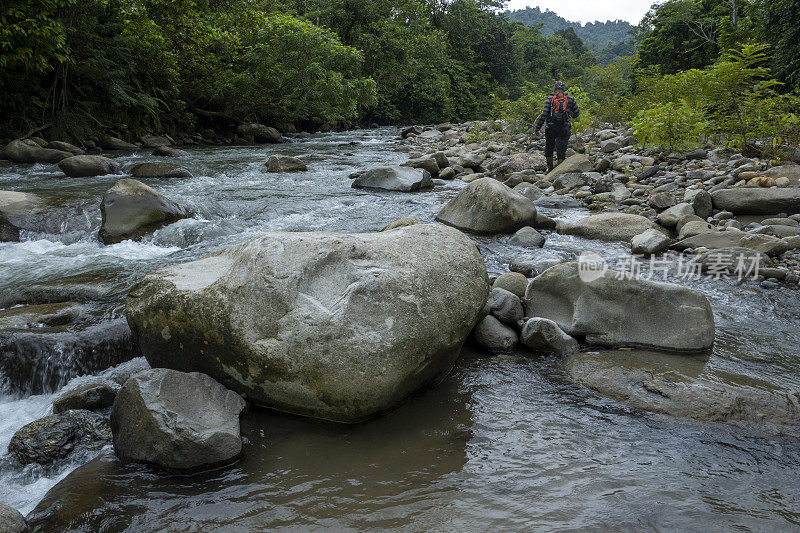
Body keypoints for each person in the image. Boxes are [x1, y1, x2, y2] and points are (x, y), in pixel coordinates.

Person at [534, 81, 580, 172]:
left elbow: (544, 114)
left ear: (554, 88)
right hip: (564, 127)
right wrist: (570, 113)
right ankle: (559, 170)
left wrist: (537, 128)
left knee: (549, 146)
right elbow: (577, 113)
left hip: (551, 127)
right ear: (564, 89)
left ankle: (549, 168)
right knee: (561, 148)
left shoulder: (550, 98)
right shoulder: (570, 99)